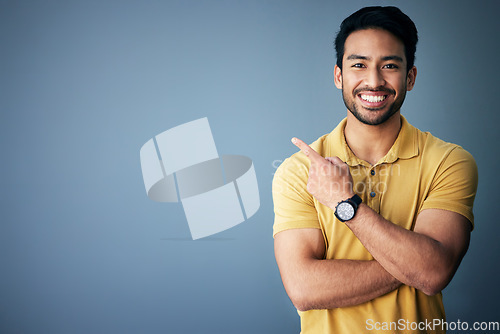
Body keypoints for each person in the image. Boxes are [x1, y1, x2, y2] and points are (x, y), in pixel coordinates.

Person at [272, 6, 478, 334]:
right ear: (339, 75)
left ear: (409, 77)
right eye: (359, 65)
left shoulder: (449, 161)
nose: (373, 81)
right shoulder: (299, 171)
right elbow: (303, 288)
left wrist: (346, 204)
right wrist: (414, 264)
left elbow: (434, 274)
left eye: (390, 66)